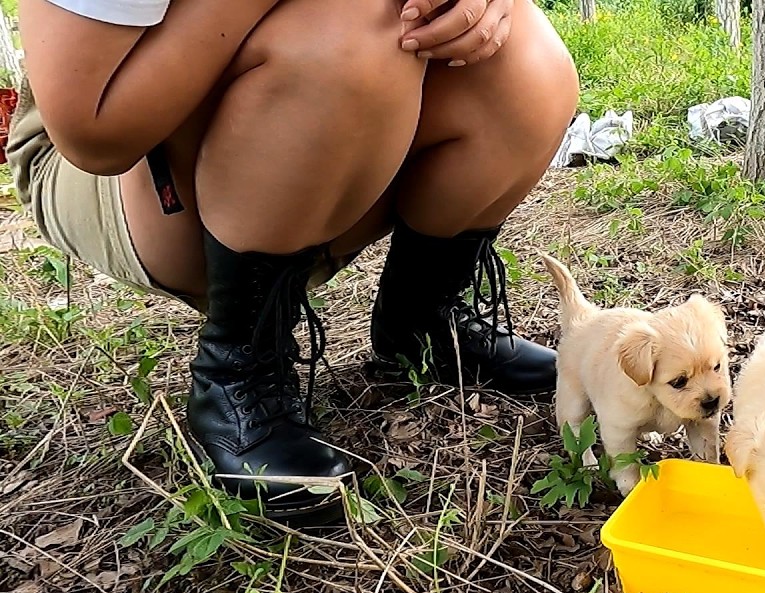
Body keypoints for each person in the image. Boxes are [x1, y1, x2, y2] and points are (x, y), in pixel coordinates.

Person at [9, 0, 579, 524]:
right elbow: (94, 133)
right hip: (112, 156)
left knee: (525, 62)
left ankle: (422, 324)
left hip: (313, 96)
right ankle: (238, 371)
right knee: (353, 30)